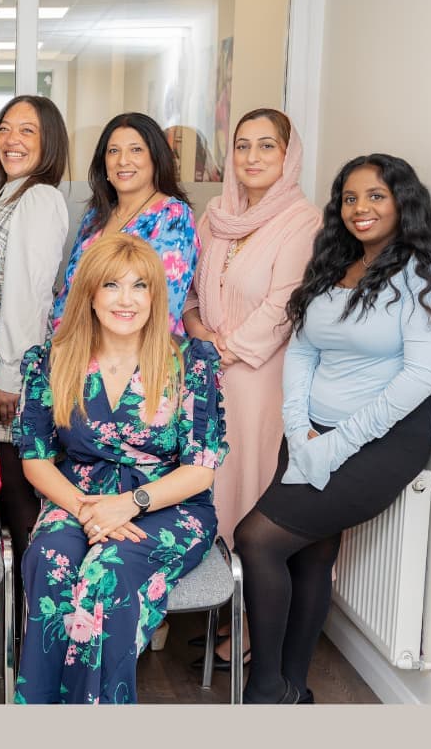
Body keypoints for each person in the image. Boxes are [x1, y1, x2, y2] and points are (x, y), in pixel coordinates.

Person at [235, 154, 431, 705]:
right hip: (310, 429)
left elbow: (422, 375)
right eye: (350, 198)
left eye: (375, 196)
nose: (360, 208)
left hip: (383, 442)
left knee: (257, 540)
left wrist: (338, 441)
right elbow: (304, 348)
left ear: (403, 203)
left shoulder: (423, 276)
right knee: (310, 553)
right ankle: (293, 687)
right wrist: (298, 424)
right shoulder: (334, 265)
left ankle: (265, 690)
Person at [15, 233, 227, 704]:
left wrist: (128, 506)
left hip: (168, 504)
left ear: (156, 296)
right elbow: (35, 459)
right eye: (112, 285)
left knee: (105, 574)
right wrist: (91, 511)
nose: (126, 300)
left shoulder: (190, 363)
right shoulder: (51, 360)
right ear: (90, 294)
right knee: (52, 563)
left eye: (140, 287)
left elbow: (201, 469)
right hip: (78, 499)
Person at [180, 108, 320, 667]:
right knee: (212, 489)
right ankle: (223, 609)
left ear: (288, 156)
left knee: (251, 492)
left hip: (260, 380)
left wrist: (224, 347)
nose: (253, 157)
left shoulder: (302, 221)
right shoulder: (215, 216)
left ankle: (251, 628)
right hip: (207, 375)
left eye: (267, 146)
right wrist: (198, 333)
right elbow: (189, 293)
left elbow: (284, 304)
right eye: (242, 146)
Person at [0, 94, 69, 604]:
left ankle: (41, 620)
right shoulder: (8, 195)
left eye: (27, 131)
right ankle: (10, 618)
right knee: (3, 495)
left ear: (49, 141)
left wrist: (10, 375)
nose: (12, 140)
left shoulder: (38, 198)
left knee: (19, 497)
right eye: (5, 129)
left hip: (13, 373)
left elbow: (29, 291)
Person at [51, 112, 197, 335]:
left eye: (136, 149)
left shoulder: (173, 215)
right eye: (113, 151)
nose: (123, 160)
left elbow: (164, 307)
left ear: (156, 158)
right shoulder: (96, 216)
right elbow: (70, 293)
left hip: (137, 361)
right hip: (74, 352)